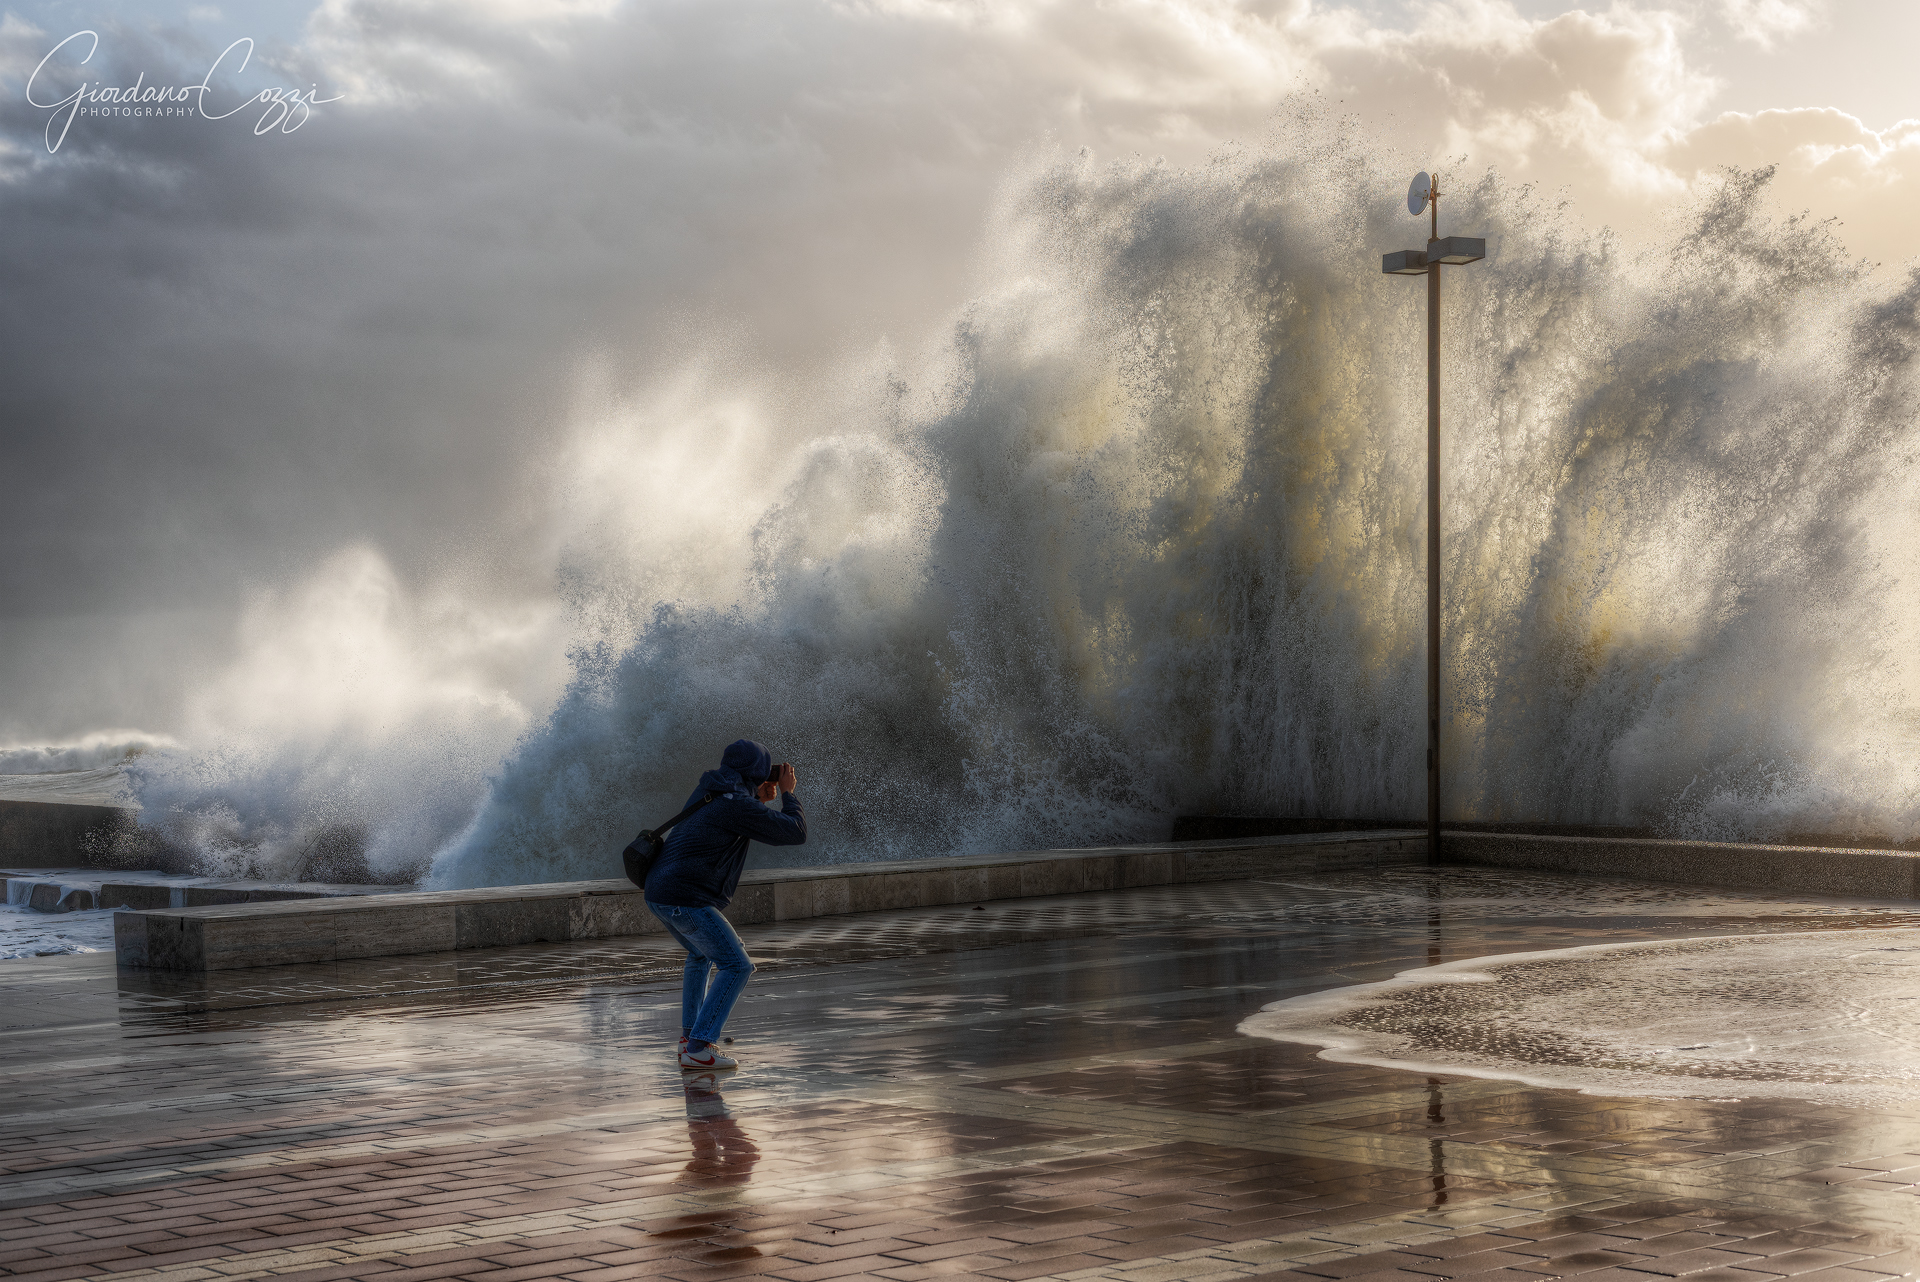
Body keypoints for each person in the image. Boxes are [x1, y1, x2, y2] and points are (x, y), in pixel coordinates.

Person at [645, 738, 806, 1071]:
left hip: (658, 893)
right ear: (757, 772)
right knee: (738, 965)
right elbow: (794, 832)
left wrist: (757, 797)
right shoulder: (737, 805)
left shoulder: (713, 789)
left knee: (701, 953)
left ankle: (689, 1040)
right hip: (685, 898)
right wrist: (788, 793)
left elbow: (730, 812)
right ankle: (700, 1047)